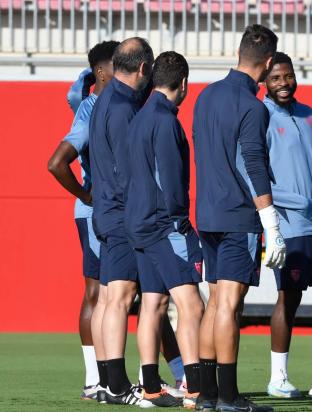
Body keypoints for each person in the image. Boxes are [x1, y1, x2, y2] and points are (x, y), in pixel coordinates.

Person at [193, 24, 285, 412]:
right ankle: (228, 396)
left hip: (209, 213)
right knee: (230, 304)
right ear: (266, 64)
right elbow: (252, 162)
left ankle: (208, 393)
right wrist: (271, 222)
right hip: (236, 215)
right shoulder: (253, 106)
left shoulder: (205, 96)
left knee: (215, 302)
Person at [125, 51, 205, 408]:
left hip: (138, 223)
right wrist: (181, 222)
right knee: (192, 305)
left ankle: (151, 387)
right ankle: (195, 386)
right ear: (183, 84)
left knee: (153, 305)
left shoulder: (140, 117)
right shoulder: (166, 121)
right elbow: (171, 183)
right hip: (164, 225)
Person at [262, 52, 312, 399]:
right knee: (288, 301)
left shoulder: (309, 114)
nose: (284, 84)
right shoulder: (260, 115)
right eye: (276, 78)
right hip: (292, 228)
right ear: (265, 81)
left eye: (288, 76)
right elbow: (259, 179)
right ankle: (278, 378)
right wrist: (305, 204)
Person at [47, 40, 119, 402]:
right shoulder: (90, 108)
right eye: (117, 65)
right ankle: (96, 379)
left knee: (121, 294)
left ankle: (115, 377)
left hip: (114, 212)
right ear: (104, 72)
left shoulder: (104, 101)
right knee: (98, 292)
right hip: (95, 213)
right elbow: (56, 162)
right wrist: (86, 195)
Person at [89, 37, 154, 405]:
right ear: (144, 68)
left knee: (108, 298)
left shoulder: (106, 98)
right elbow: (133, 169)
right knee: (121, 296)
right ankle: (116, 385)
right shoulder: (125, 107)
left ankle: (105, 382)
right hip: (123, 213)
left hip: (107, 209)